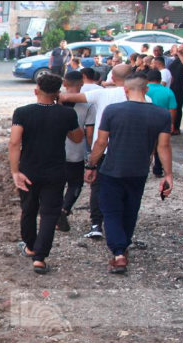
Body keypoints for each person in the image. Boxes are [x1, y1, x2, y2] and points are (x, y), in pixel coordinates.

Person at [85, 73, 173, 274]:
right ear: (147, 90)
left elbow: (101, 142)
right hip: (139, 170)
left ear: (125, 90)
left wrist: (91, 165)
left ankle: (118, 253)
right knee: (131, 210)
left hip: (112, 169)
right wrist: (168, 174)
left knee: (111, 211)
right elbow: (164, 146)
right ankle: (123, 245)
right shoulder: (162, 114)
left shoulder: (113, 110)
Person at [9, 74, 84, 273]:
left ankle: (31, 247)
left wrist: (15, 171)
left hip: (28, 170)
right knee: (50, 214)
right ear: (58, 93)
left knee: (29, 210)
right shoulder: (66, 114)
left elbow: (15, 142)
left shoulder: (22, 113)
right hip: (56, 171)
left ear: (36, 91)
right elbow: (78, 138)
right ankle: (40, 258)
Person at [60, 64, 138, 239]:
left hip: (102, 149)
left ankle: (96, 224)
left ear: (113, 78)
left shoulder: (101, 94)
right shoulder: (144, 98)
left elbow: (67, 96)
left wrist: (91, 161)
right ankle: (122, 226)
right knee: (127, 188)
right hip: (131, 151)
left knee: (98, 186)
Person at [56, 71, 95, 233]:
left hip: (54, 152)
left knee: (56, 184)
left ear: (64, 83)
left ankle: (54, 211)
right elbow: (90, 133)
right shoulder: (88, 105)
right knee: (75, 184)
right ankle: (64, 210)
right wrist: (91, 154)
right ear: (82, 84)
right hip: (75, 153)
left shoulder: (53, 101)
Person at [145, 69, 178, 177]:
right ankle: (158, 170)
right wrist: (172, 123)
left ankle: (144, 169)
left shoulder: (144, 90)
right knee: (161, 145)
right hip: (162, 121)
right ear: (160, 79)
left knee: (147, 146)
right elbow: (172, 109)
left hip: (145, 120)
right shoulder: (168, 91)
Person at [168, 42, 183, 133]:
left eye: (181, 47)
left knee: (177, 105)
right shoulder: (177, 59)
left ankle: (176, 128)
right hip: (173, 85)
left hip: (179, 86)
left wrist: (178, 53)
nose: (179, 48)